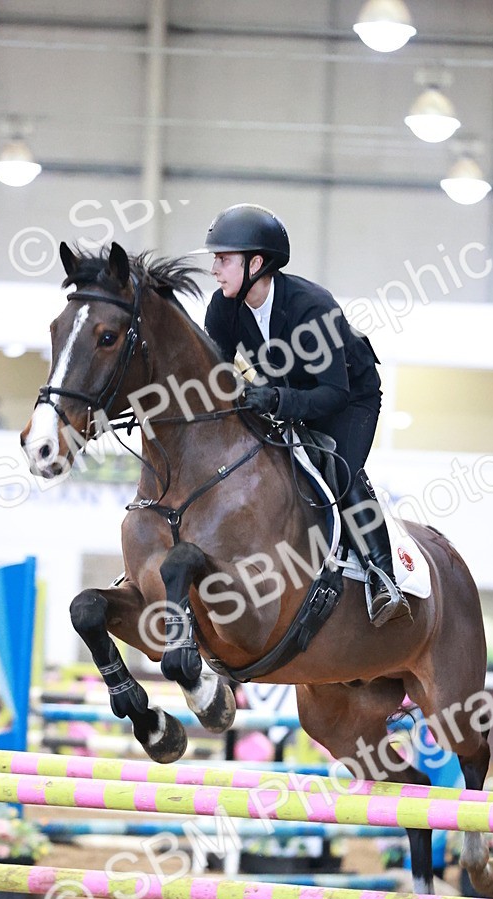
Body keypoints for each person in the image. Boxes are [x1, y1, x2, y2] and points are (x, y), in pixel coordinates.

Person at [201, 202, 410, 626]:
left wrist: (275, 400)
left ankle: (382, 577)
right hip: (288, 393)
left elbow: (333, 393)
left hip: (350, 397)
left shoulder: (311, 306)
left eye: (224, 260)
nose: (215, 269)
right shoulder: (223, 308)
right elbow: (214, 378)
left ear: (256, 263)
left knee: (336, 469)